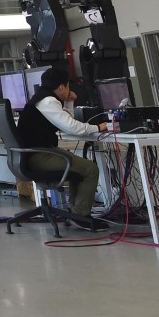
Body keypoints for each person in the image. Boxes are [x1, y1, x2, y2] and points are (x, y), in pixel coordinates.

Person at [16, 67, 112, 231]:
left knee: (80, 168)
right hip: (39, 156)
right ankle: (81, 215)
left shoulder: (41, 99)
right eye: (67, 86)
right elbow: (72, 127)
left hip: (32, 154)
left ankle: (75, 212)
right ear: (61, 87)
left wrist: (69, 101)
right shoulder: (48, 101)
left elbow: (64, 120)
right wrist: (99, 127)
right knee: (90, 169)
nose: (69, 89)